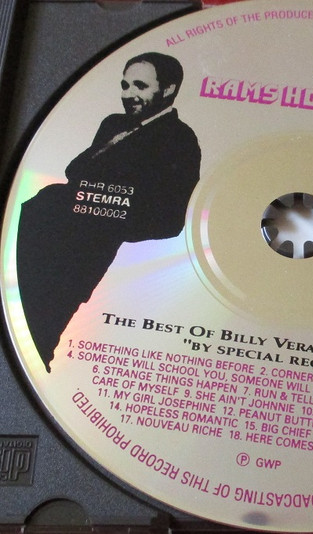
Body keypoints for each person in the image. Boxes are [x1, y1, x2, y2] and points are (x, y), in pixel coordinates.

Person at [17, 52, 201, 372]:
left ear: (168, 89)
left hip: (78, 258)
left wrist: (104, 216)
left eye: (140, 86)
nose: (129, 94)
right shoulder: (113, 123)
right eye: (125, 85)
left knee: (37, 336)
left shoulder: (180, 140)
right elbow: (78, 171)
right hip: (35, 229)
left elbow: (170, 220)